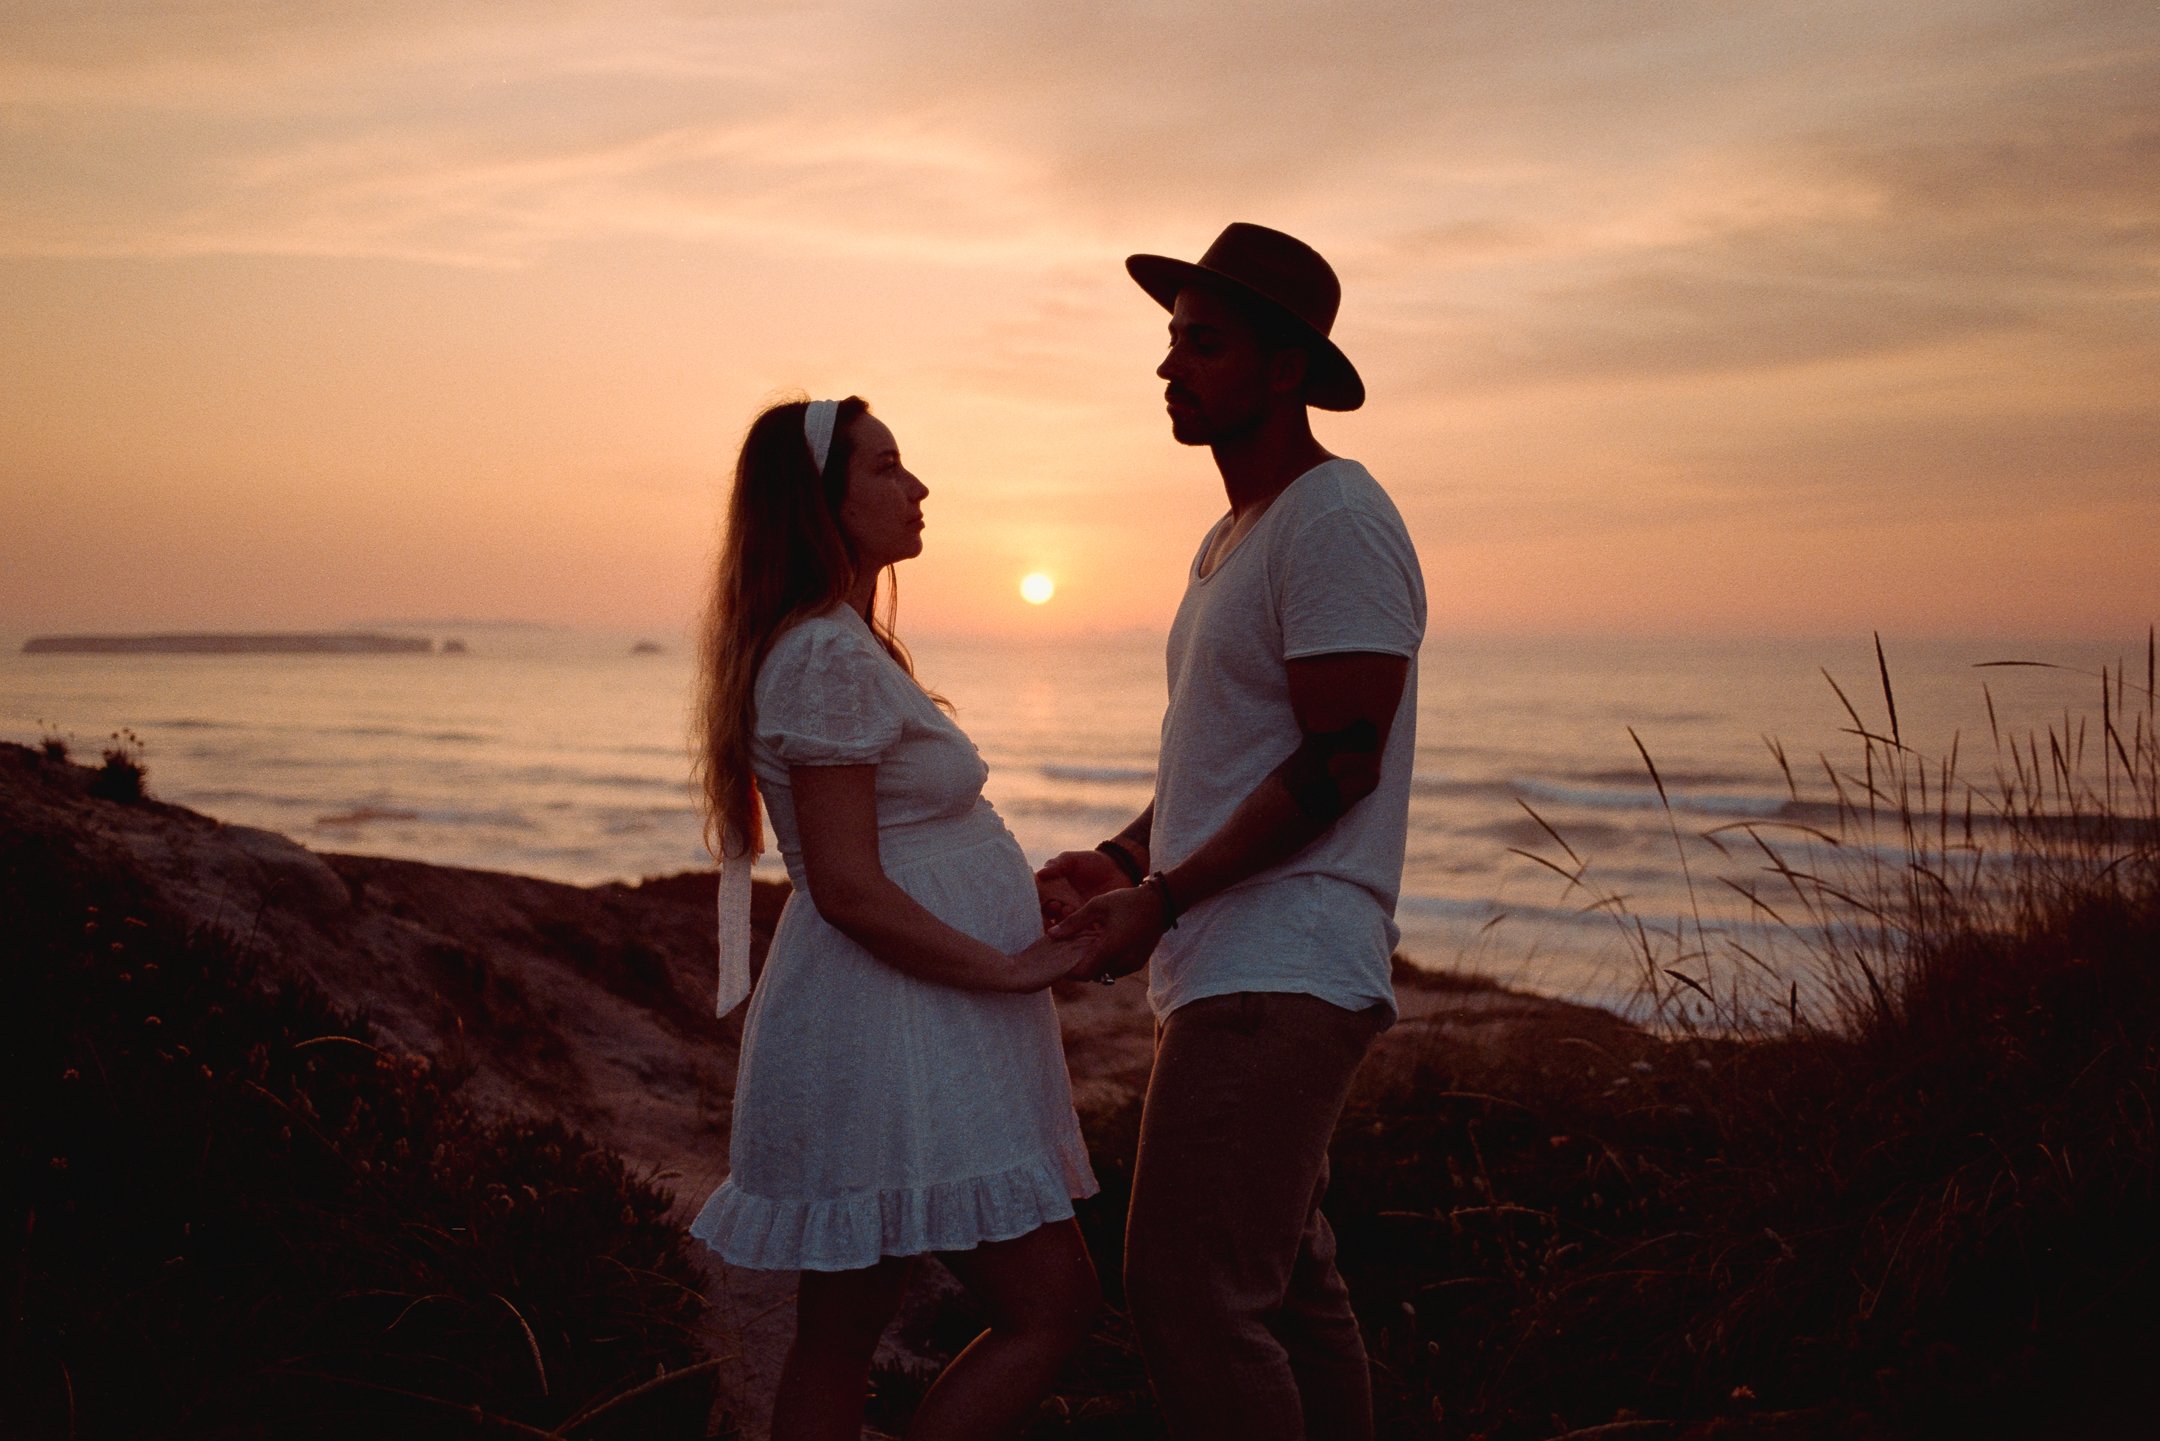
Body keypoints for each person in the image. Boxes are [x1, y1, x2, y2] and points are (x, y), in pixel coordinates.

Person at [1040, 223, 1427, 1441]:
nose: (1170, 368)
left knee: (1189, 1295)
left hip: (1285, 967)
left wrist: (1162, 898)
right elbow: (1232, 768)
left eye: (1202, 345)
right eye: (1170, 342)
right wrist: (1120, 859)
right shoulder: (1231, 541)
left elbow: (1338, 764)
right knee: (1291, 1298)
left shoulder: (1335, 517)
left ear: (1284, 369)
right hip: (1232, 967)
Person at [689, 396, 1102, 1441]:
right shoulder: (824, 655)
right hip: (901, 1023)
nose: (917, 487)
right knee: (1049, 1305)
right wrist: (1008, 968)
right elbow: (849, 884)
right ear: (818, 504)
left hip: (904, 1013)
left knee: (842, 1330)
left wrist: (1019, 896)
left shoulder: (842, 645)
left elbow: (900, 845)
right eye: (886, 468)